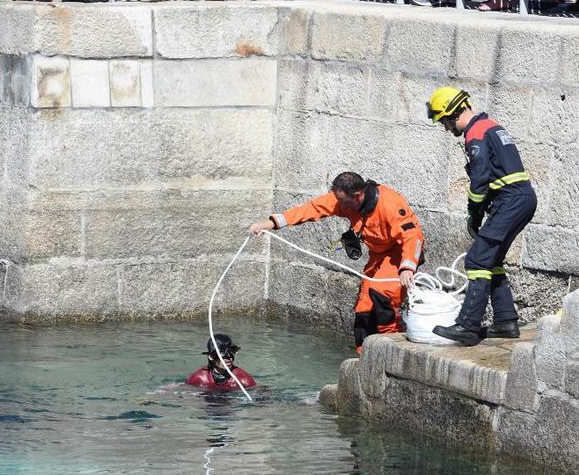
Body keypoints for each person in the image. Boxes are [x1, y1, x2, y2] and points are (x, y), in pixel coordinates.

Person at [248, 172, 425, 354]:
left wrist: (407, 267)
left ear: (358, 195)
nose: (340, 207)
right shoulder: (345, 200)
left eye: (344, 203)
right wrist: (269, 224)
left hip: (399, 255)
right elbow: (311, 209)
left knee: (382, 298)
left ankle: (392, 350)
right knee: (364, 307)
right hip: (377, 256)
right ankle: (363, 355)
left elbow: (413, 236)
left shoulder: (390, 204)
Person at [427, 87, 537, 346]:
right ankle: (506, 321)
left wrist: (473, 216)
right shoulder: (491, 125)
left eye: (444, 121)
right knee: (492, 258)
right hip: (521, 199)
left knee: (477, 260)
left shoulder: (474, 134)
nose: (445, 128)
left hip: (509, 201)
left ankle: (467, 326)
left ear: (453, 114)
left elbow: (479, 182)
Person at [186, 334, 256, 391]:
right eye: (222, 354)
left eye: (231, 352)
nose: (229, 357)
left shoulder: (242, 379)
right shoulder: (200, 378)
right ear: (211, 357)